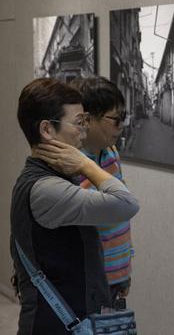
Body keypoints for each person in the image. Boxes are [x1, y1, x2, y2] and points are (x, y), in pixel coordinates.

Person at [9, 78, 139, 334]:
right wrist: (85, 164)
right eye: (79, 123)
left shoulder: (53, 176)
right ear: (47, 130)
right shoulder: (46, 189)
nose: (83, 131)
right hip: (55, 323)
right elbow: (126, 204)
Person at [71, 76, 134, 305]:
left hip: (117, 275)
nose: (122, 126)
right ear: (87, 120)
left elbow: (120, 217)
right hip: (89, 279)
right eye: (117, 119)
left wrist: (126, 268)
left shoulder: (111, 153)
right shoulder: (72, 164)